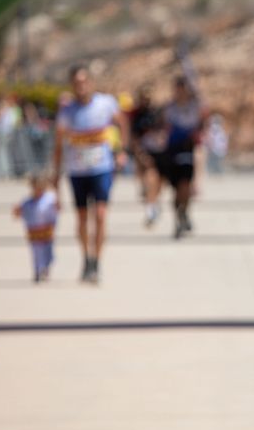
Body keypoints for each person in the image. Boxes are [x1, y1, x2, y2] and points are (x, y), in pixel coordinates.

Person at [51, 65, 128, 283]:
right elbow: (58, 146)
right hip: (77, 171)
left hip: (101, 168)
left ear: (91, 83)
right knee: (83, 218)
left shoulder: (105, 103)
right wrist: (55, 176)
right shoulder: (67, 112)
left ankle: (97, 261)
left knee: (101, 215)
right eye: (77, 83)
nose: (81, 87)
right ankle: (86, 258)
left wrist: (121, 150)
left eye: (84, 82)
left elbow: (122, 122)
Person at [163, 75, 205, 239]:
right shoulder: (169, 108)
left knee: (185, 185)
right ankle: (178, 217)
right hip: (172, 150)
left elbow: (202, 119)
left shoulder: (194, 106)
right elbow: (164, 127)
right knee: (175, 190)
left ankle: (184, 212)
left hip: (187, 149)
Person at [127, 84, 167, 227]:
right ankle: (151, 208)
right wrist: (140, 155)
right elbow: (133, 137)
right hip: (144, 153)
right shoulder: (136, 115)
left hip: (159, 153)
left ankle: (153, 204)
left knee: (157, 183)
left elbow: (164, 131)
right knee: (150, 179)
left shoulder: (157, 112)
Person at [13, 173, 58, 283]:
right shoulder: (27, 201)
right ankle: (37, 271)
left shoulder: (50, 199)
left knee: (47, 252)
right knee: (36, 252)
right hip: (33, 230)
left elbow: (57, 210)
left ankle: (46, 269)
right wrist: (17, 211)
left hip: (47, 229)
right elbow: (18, 213)